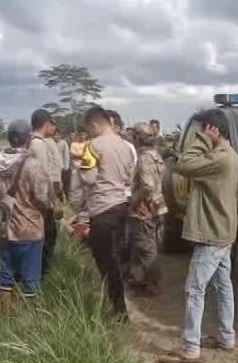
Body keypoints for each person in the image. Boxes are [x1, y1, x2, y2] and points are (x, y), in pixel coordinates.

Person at [164, 109, 238, 362]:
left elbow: (183, 164)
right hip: (223, 232)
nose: (199, 136)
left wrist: (201, 140)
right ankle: (226, 336)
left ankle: (190, 346)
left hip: (212, 234)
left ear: (213, 130)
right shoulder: (229, 156)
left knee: (194, 289)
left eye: (203, 130)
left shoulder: (220, 158)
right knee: (223, 285)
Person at [0, 119, 50, 315]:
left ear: (9, 139)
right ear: (28, 139)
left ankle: (6, 314)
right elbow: (43, 198)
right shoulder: (32, 165)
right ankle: (31, 322)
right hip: (29, 229)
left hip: (5, 228)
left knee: (6, 272)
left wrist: (2, 206)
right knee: (31, 278)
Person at [80, 106, 136, 317]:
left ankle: (117, 309)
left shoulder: (92, 146)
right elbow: (130, 178)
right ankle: (121, 299)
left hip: (102, 209)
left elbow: (88, 179)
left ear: (95, 124)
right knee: (119, 256)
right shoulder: (126, 146)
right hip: (122, 205)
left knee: (105, 260)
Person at [127, 122, 167, 296]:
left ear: (137, 138)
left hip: (144, 208)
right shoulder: (155, 155)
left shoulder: (144, 158)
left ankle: (153, 284)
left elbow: (147, 186)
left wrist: (133, 202)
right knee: (149, 245)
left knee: (146, 247)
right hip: (158, 205)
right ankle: (146, 280)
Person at [29, 109, 62, 277]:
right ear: (46, 123)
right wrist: (54, 201)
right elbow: (44, 177)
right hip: (42, 202)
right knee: (48, 237)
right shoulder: (39, 144)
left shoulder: (30, 141)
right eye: (52, 123)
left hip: (32, 201)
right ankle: (42, 276)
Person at [55, 131, 71, 200]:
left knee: (65, 184)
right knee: (57, 184)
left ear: (60, 135)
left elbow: (66, 155)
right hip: (54, 168)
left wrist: (66, 166)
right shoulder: (51, 143)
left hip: (62, 167)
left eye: (57, 135)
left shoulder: (63, 143)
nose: (56, 136)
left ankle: (67, 198)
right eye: (55, 135)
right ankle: (59, 199)